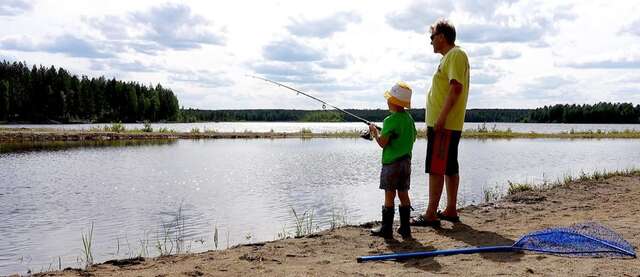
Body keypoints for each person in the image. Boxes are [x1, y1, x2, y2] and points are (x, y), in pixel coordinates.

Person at [411, 19, 470, 227]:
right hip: (447, 124)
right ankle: (451, 209)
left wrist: (441, 118)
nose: (430, 42)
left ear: (442, 37)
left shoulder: (455, 54)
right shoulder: (451, 57)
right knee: (449, 167)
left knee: (436, 167)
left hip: (444, 125)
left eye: (432, 37)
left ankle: (430, 214)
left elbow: (456, 88)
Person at [368, 82, 418, 239]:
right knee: (403, 194)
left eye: (389, 98)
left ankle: (387, 229)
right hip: (406, 163)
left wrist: (375, 133)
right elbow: (412, 136)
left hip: (391, 164)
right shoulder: (409, 119)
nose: (387, 101)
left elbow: (383, 144)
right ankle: (405, 229)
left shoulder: (389, 120)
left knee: (389, 194)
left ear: (393, 102)